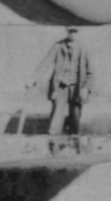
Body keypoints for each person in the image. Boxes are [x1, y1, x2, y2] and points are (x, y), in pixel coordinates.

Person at [26, 26, 95, 154]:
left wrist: (86, 88)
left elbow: (91, 72)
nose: (73, 34)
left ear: (79, 33)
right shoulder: (58, 46)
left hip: (77, 87)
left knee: (75, 118)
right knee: (56, 117)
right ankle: (54, 151)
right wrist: (34, 78)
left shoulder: (84, 48)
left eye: (75, 32)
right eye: (70, 31)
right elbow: (46, 63)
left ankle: (77, 152)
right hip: (60, 86)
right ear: (66, 31)